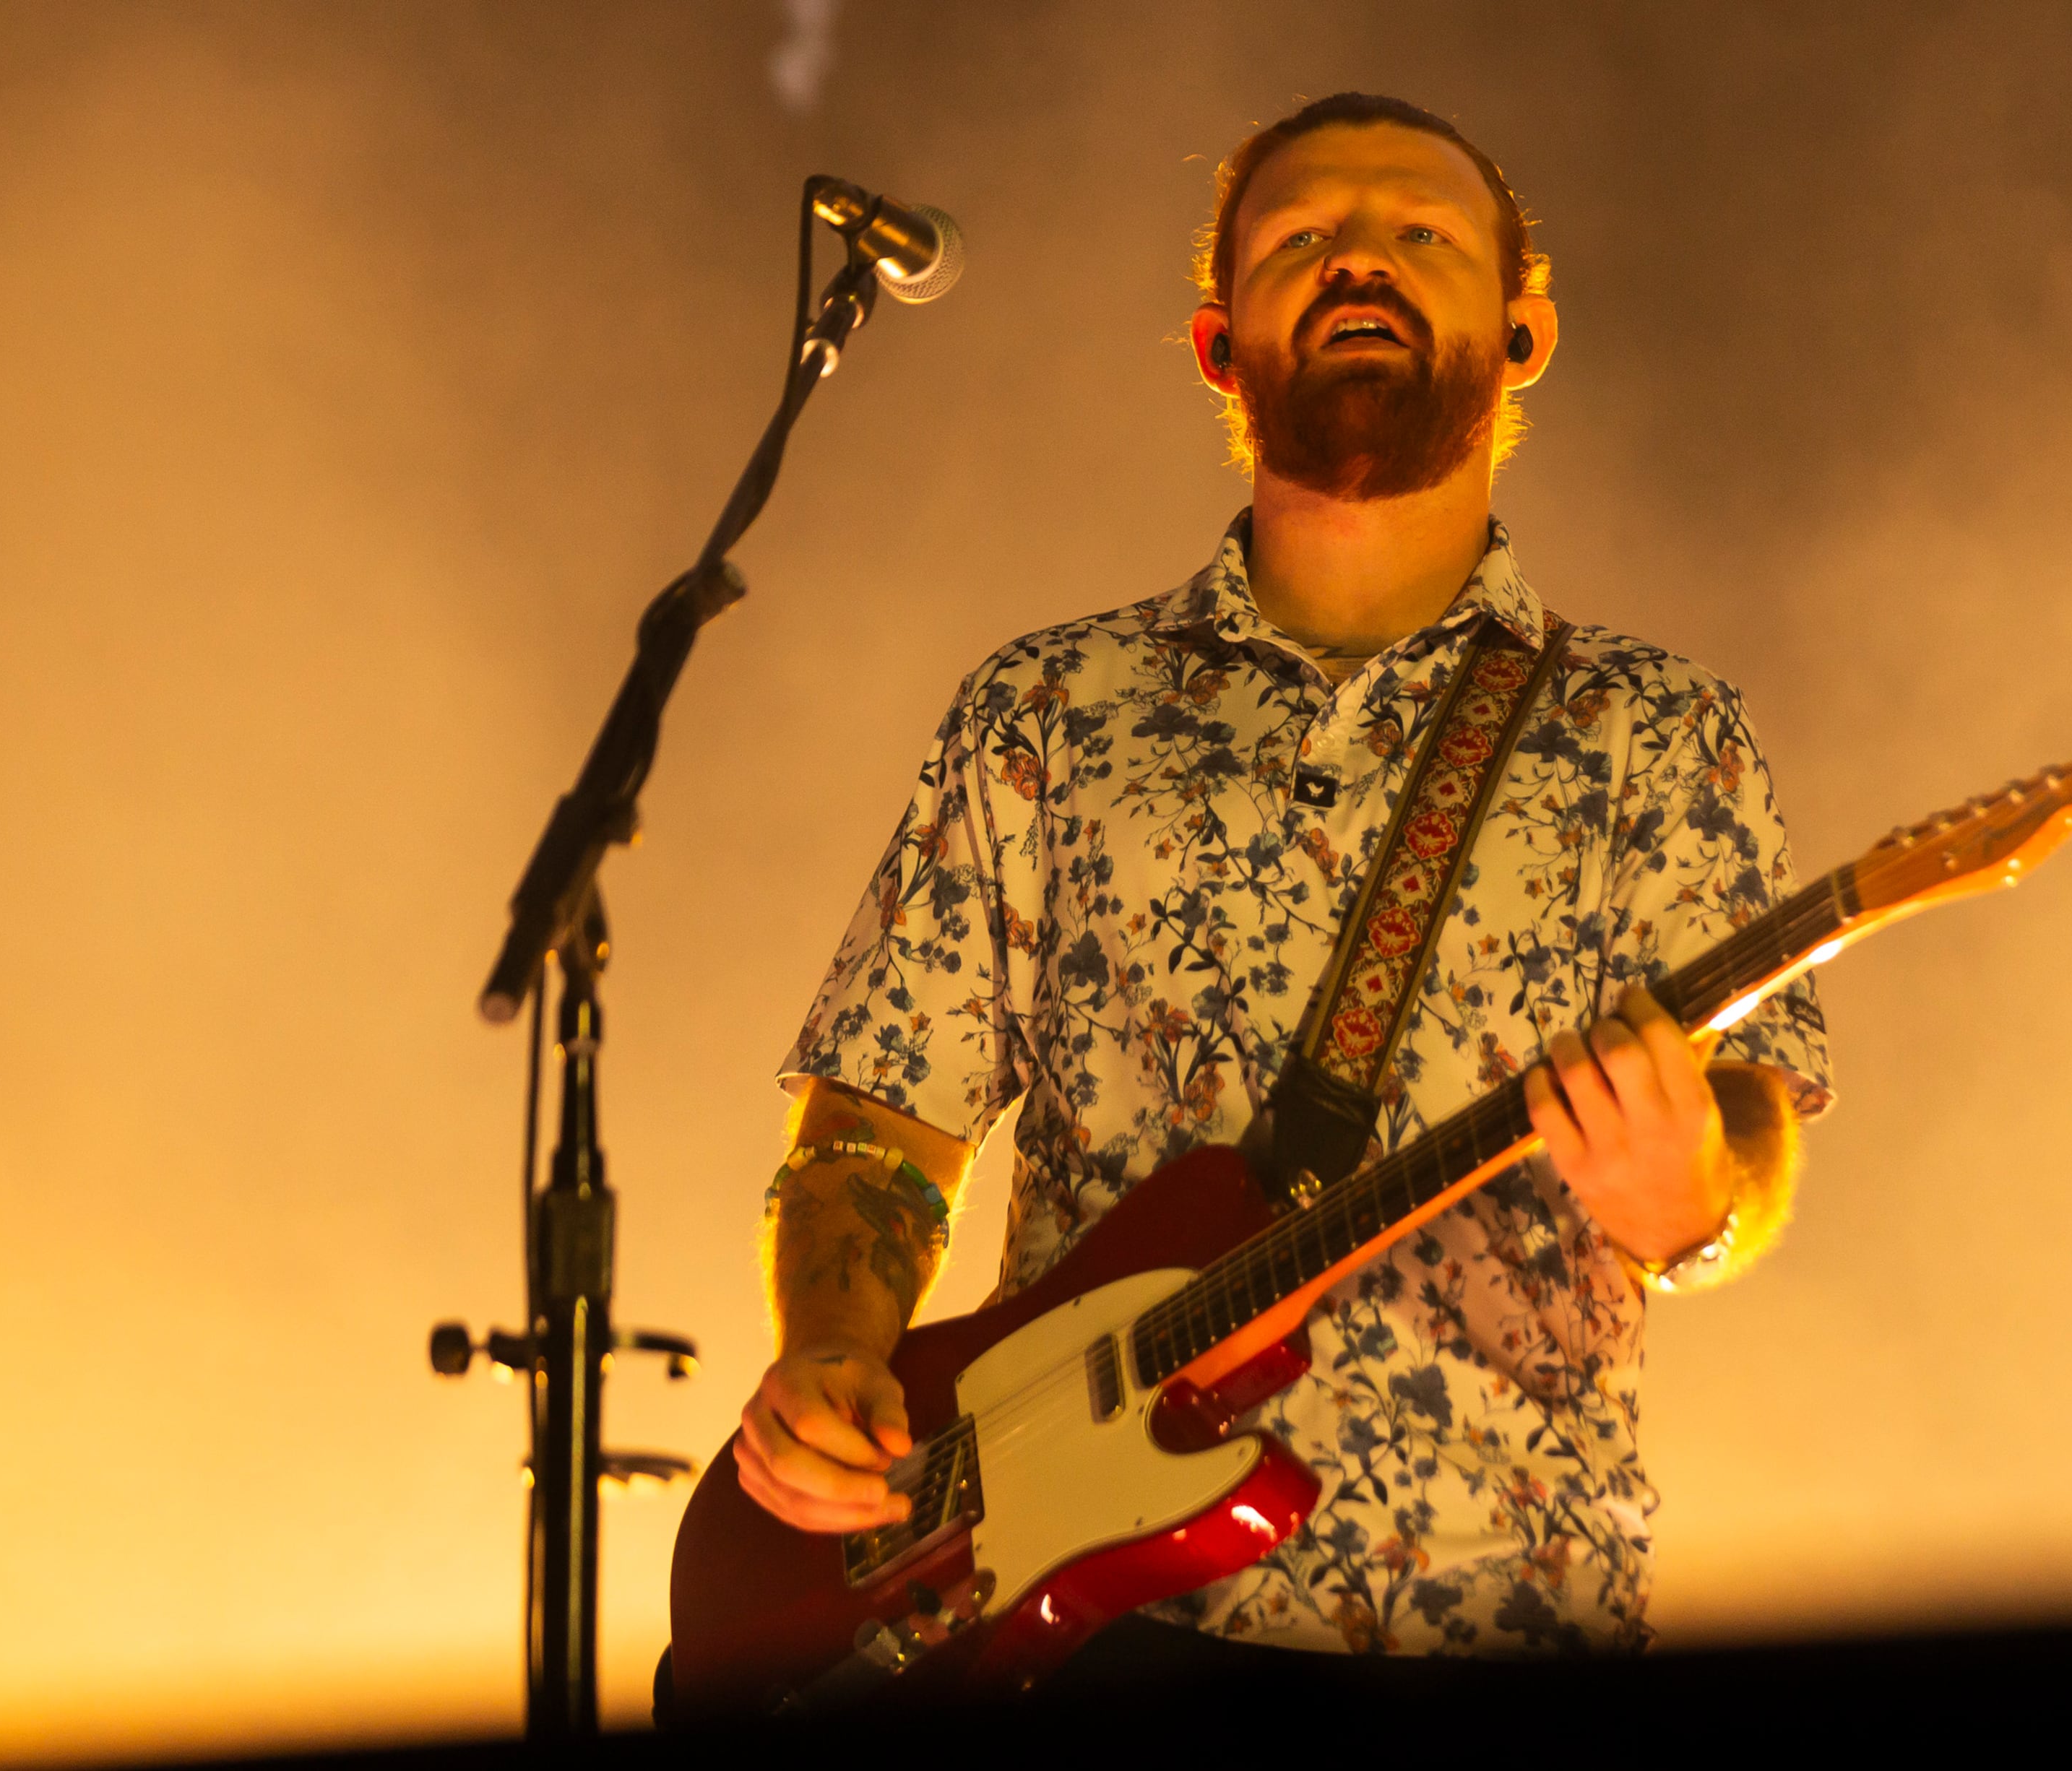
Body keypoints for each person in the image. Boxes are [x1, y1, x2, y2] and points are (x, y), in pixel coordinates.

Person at [736, 92, 1833, 1671]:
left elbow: (1750, 1120)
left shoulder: (1658, 732)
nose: (1362, 262)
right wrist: (835, 1348)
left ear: (1524, 335)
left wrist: (1693, 1208)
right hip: (1063, 1633)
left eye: (1424, 236)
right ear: (1216, 346)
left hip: (1504, 1608)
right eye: (1305, 239)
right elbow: (878, 1123)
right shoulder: (1047, 710)